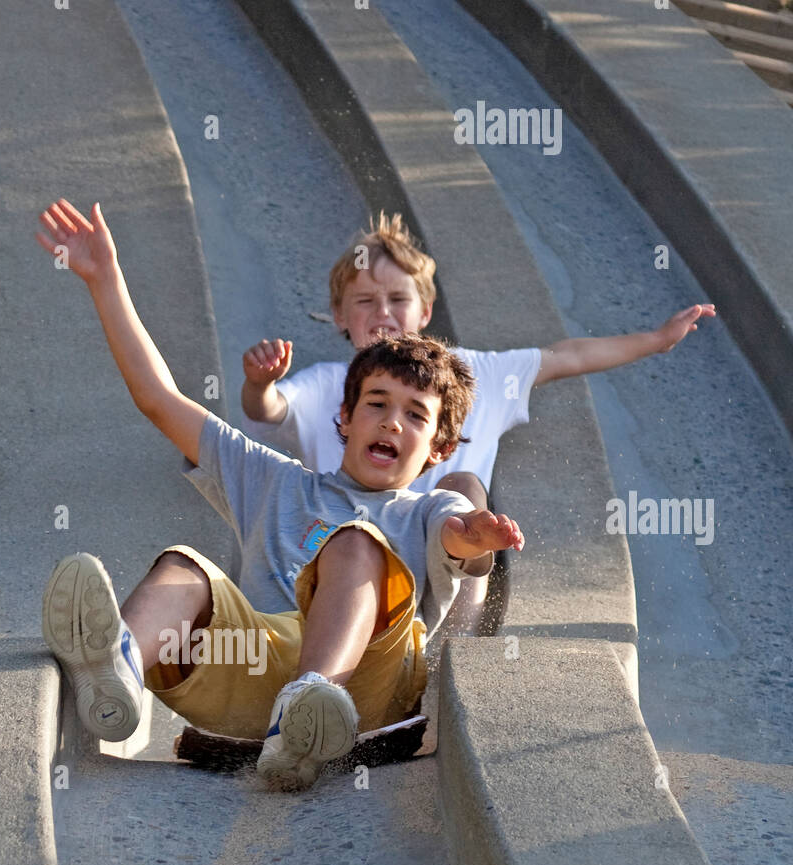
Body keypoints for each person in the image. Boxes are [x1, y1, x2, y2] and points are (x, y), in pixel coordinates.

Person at [35, 198, 524, 792]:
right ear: (344, 416)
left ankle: (309, 704)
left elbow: (463, 546)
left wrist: (478, 540)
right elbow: (160, 402)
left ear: (440, 450)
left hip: (365, 685)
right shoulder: (276, 481)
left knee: (355, 546)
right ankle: (117, 672)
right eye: (376, 405)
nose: (392, 423)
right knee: (182, 567)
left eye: (415, 416)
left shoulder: (427, 511)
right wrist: (105, 281)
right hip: (251, 671)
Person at [240, 211, 715, 508]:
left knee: (465, 489)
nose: (382, 314)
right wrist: (260, 384)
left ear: (425, 311)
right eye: (364, 302)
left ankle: (454, 645)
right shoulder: (328, 383)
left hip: (440, 558)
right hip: (349, 539)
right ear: (340, 315)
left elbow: (565, 356)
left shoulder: (476, 374)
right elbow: (270, 410)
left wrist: (654, 340)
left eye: (397, 300)